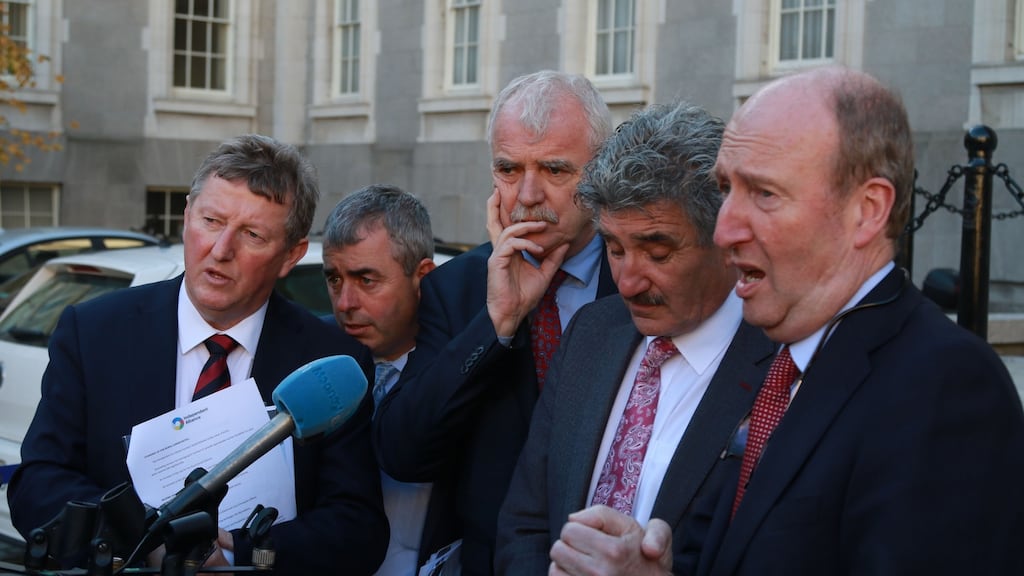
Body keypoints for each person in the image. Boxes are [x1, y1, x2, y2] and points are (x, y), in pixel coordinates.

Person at [687, 66, 1024, 574]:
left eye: (764, 194)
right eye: (725, 188)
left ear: (867, 210)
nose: (724, 229)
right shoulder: (779, 356)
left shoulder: (948, 387)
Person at [8, 134, 388, 575]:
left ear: (292, 255)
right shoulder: (94, 333)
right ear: (187, 215)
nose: (221, 250)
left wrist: (238, 555)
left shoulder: (328, 361)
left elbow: (358, 530)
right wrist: (144, 542)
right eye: (211, 220)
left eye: (252, 234)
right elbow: (37, 484)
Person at [495, 101, 775, 576]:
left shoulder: (783, 364)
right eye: (614, 248)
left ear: (727, 239)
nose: (627, 281)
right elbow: (523, 523)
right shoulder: (592, 333)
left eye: (657, 252)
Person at [373, 70, 618, 575]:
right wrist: (497, 323)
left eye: (554, 170)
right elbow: (404, 452)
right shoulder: (457, 288)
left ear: (601, 169)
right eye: (509, 169)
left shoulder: (640, 281)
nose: (527, 195)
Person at [321, 184, 437, 575]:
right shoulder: (312, 363)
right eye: (334, 279)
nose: (345, 303)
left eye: (366, 280)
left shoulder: (456, 373)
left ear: (422, 278)